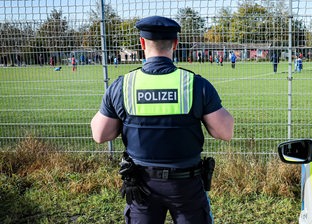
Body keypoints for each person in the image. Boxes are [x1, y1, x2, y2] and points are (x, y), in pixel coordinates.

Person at [90, 16, 234, 224]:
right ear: (175, 44)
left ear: (141, 43)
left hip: (142, 186)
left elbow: (100, 134)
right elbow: (225, 132)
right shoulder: (195, 84)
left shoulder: (123, 85)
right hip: (186, 185)